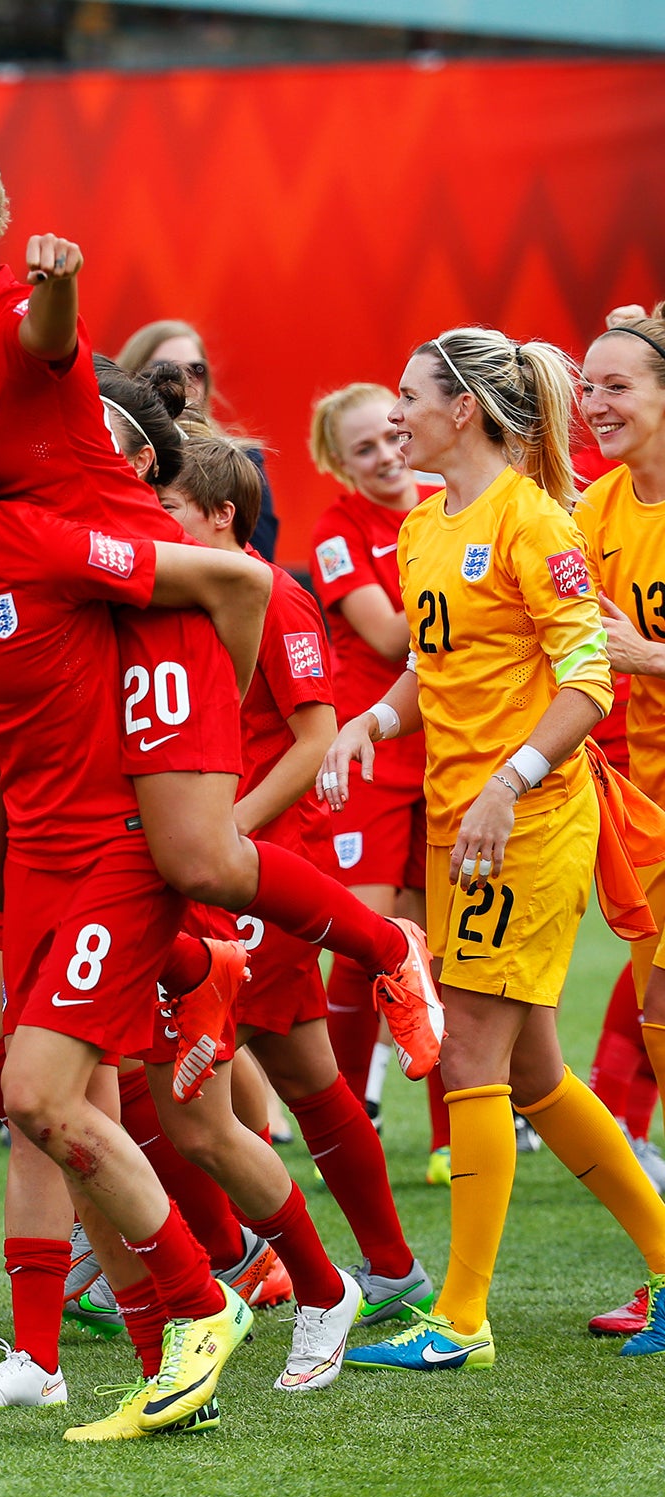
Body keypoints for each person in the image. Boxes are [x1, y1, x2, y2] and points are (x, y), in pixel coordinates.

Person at [0, 84, 439, 1090]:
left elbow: (52, 337)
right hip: (19, 605)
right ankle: (189, 967)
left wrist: (60, 279)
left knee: (201, 860)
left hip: (125, 607)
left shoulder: (12, 318)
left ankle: (387, 951)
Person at [0, 373, 260, 1439]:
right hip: (36, 846)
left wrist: (204, 779)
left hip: (113, 850)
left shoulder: (50, 544)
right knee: (48, 1097)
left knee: (59, 1097)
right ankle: (138, 1352)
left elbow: (238, 589)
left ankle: (246, 1291)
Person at [319, 326, 665, 1371]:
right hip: (460, 821)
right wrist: (370, 726)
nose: (394, 414)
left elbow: (587, 678)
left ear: (460, 409)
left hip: (526, 819)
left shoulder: (531, 522)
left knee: (469, 1051)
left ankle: (459, 1318)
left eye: (409, 395)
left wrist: (507, 784)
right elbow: (433, 667)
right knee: (533, 1077)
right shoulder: (428, 525)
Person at [155, 432, 427, 1369]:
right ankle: (336, 1267)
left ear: (222, 515)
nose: (155, 527)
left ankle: (318, 1272)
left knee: (267, 1074)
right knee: (271, 1074)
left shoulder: (274, 593)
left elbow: (313, 741)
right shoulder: (171, 593)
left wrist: (223, 837)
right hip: (195, 870)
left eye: (170, 510)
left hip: (256, 871)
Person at [306, 381, 455, 1186]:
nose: (387, 456)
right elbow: (395, 632)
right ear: (339, 461)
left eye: (393, 436)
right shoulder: (339, 531)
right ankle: (341, 1114)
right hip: (371, 745)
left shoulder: (446, 500)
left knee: (442, 938)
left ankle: (449, 1135)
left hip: (448, 745)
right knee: (364, 938)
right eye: (362, 448)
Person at [575, 302, 665, 1341]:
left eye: (616, 387)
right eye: (586, 387)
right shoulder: (596, 513)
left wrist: (644, 656)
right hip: (640, 820)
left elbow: (628, 653)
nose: (594, 405)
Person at [116, 318, 279, 561]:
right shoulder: (111, 455)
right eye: (164, 368)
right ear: (132, 376)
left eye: (196, 370)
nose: (183, 380)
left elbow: (261, 559)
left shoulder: (243, 461)